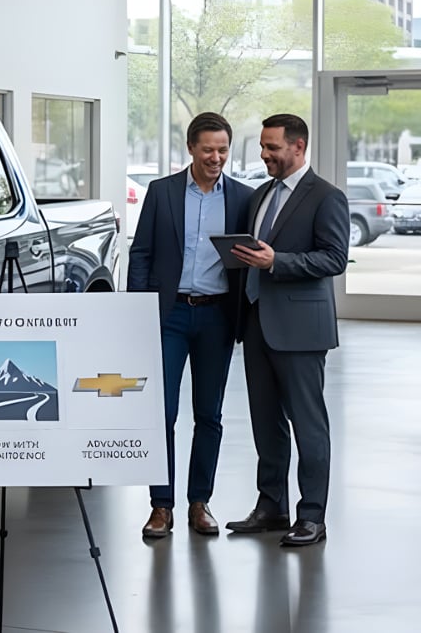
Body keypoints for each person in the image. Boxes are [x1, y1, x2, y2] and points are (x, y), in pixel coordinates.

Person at [127, 112, 253, 539]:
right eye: (208, 149)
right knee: (161, 413)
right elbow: (141, 254)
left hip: (217, 316)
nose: (216, 157)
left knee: (209, 414)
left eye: (222, 149)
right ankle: (161, 506)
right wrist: (139, 313)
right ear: (191, 149)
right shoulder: (161, 193)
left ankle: (200, 502)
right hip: (170, 316)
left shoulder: (242, 198)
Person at [226, 113, 348, 547]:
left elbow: (333, 259)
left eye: (272, 147)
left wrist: (277, 261)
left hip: (300, 330)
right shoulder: (260, 196)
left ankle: (312, 516)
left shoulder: (326, 197)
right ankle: (271, 506)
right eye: (262, 146)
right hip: (257, 322)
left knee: (308, 424)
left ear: (298, 147)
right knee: (266, 422)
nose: (264, 155)